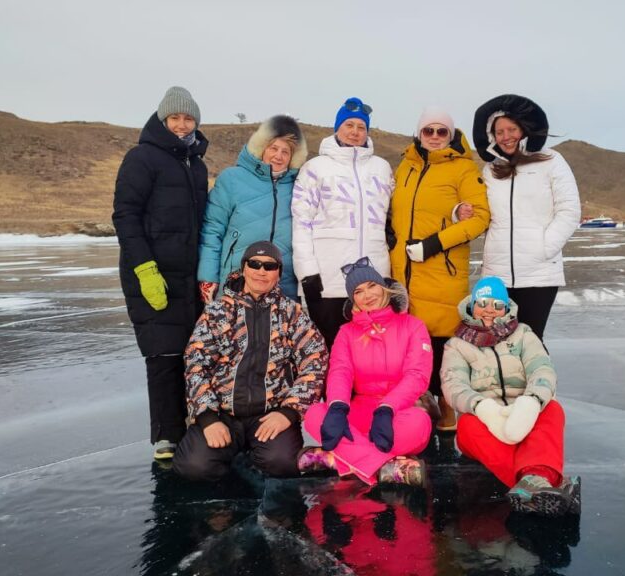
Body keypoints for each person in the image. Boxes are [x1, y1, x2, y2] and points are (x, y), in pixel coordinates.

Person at [173, 241, 329, 482]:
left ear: (279, 273)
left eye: (270, 266)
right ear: (244, 268)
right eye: (254, 264)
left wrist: (288, 412)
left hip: (270, 414)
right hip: (222, 413)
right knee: (193, 467)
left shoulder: (292, 313)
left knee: (283, 463)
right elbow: (196, 364)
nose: (261, 271)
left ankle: (258, 455)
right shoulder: (217, 312)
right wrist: (207, 418)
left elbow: (315, 360)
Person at [112, 86, 209, 461]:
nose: (182, 125)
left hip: (188, 274)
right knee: (163, 353)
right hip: (152, 273)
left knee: (193, 352)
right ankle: (167, 436)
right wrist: (144, 268)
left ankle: (195, 422)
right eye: (175, 118)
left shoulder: (196, 164)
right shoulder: (142, 158)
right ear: (162, 119)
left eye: (188, 119)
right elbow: (125, 215)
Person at [441, 276, 580, 516]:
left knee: (552, 409)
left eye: (497, 305)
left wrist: (531, 402)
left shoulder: (524, 335)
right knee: (467, 426)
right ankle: (541, 483)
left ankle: (533, 482)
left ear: (506, 308)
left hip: (523, 413)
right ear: (472, 305)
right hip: (484, 419)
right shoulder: (457, 345)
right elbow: (453, 385)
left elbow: (542, 370)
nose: (489, 310)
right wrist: (483, 408)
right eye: (483, 303)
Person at [389, 106, 491, 431]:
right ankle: (419, 404)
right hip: (403, 270)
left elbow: (480, 218)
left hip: (441, 270)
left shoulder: (463, 168)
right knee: (411, 345)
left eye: (441, 131)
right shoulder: (405, 166)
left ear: (450, 134)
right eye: (428, 130)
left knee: (442, 343)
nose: (434, 137)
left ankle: (447, 405)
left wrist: (433, 244)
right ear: (419, 133)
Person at [300, 257, 433, 486]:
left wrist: (387, 407)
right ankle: (385, 468)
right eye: (358, 291)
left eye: (372, 286)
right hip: (359, 411)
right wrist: (338, 407)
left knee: (418, 425)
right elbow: (340, 372)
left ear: (384, 288)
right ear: (353, 300)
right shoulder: (346, 332)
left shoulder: (413, 326)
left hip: (398, 411)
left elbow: (417, 375)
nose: (367, 295)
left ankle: (337, 459)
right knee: (315, 414)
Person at [470, 94, 581, 338]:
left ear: (524, 129)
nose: (506, 136)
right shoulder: (490, 169)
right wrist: (461, 213)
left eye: (512, 129)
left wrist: (544, 248)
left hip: (538, 274)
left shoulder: (552, 161)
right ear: (491, 136)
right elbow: (482, 213)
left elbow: (569, 210)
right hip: (497, 274)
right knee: (497, 341)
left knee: (530, 341)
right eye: (499, 132)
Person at [291, 97, 394, 348]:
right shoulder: (315, 168)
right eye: (349, 125)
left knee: (370, 348)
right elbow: (301, 223)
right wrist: (307, 272)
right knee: (328, 348)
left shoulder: (382, 168)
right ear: (337, 128)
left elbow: (391, 213)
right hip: (328, 280)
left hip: (372, 281)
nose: (355, 132)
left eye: (361, 127)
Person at [197, 115, 307, 302]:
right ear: (262, 147)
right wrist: (207, 276)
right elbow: (212, 230)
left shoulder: (299, 185)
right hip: (235, 281)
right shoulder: (232, 179)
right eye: (274, 148)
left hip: (283, 284)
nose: (278, 156)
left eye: (285, 151)